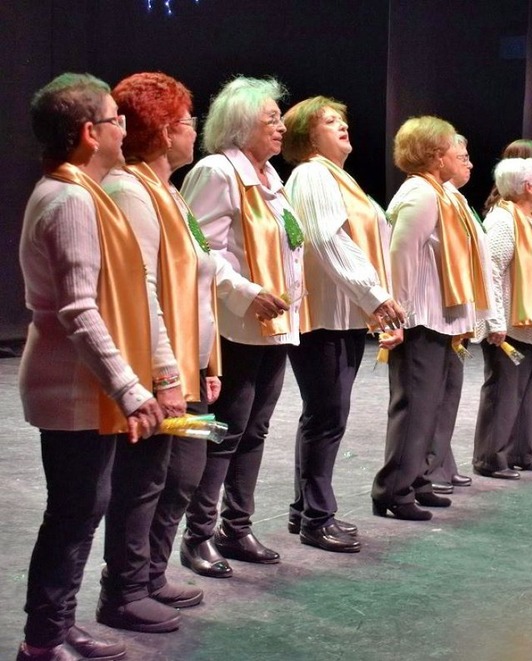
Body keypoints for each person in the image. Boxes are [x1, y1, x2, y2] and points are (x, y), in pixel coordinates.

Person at [17, 72, 164, 661]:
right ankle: (43, 639)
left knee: (81, 507)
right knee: (75, 510)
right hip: (71, 384)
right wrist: (131, 388)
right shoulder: (72, 198)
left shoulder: (73, 190)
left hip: (76, 381)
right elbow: (80, 309)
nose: (122, 128)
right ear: (88, 132)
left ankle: (56, 627)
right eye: (114, 120)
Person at [97, 71, 236, 632]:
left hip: (190, 365)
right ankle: (124, 590)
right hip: (159, 368)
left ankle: (151, 573)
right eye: (185, 122)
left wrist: (207, 363)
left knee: (185, 472)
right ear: (161, 130)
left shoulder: (172, 194)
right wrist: (164, 373)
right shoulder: (131, 190)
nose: (193, 131)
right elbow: (143, 289)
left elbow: (199, 285)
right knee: (145, 478)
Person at [180, 76, 303, 575]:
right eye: (271, 118)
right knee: (224, 431)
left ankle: (237, 527)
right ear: (239, 124)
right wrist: (246, 293)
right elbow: (200, 250)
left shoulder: (271, 177)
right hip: (234, 325)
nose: (281, 126)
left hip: (274, 323)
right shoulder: (216, 171)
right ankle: (197, 535)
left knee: (255, 428)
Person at [282, 96, 406, 552]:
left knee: (323, 415)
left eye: (342, 119)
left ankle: (305, 510)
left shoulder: (339, 177)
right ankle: (317, 516)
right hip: (324, 317)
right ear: (307, 136)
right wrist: (375, 296)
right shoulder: (313, 174)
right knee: (327, 417)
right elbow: (325, 240)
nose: (342, 126)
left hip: (342, 314)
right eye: (330, 121)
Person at [371, 116, 492, 521]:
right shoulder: (421, 195)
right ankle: (393, 489)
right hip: (419, 319)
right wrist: (396, 321)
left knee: (432, 407)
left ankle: (418, 478)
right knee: (415, 407)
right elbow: (400, 259)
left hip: (440, 319)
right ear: (436, 156)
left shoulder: (442, 195)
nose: (463, 158)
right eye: (455, 151)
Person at [473, 157, 532, 477]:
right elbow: (491, 272)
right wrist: (494, 320)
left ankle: (521, 452)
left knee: (530, 391)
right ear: (526, 187)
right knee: (505, 392)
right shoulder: (503, 220)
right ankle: (491, 458)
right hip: (511, 323)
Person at [426, 135, 480, 494]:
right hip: (434, 310)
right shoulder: (426, 195)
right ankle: (429, 467)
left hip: (455, 311)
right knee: (431, 396)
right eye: (462, 156)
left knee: (449, 391)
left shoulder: (455, 198)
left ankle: (442, 460)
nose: (469, 163)